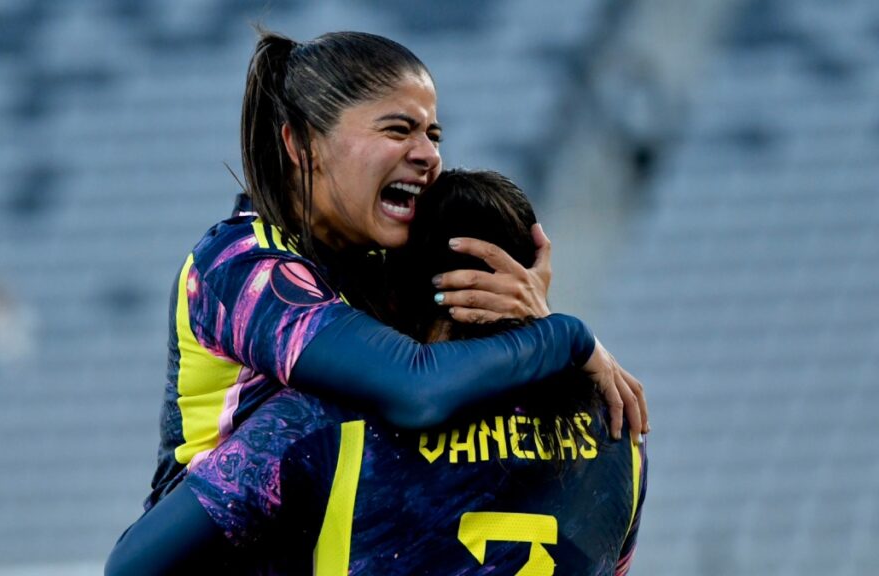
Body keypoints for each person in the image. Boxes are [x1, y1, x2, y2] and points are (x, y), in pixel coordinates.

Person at [146, 29, 648, 509]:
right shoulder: (240, 269)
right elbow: (416, 389)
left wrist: (527, 316)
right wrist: (566, 339)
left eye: (434, 134)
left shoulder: (385, 261)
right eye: (398, 129)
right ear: (302, 145)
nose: (430, 155)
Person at [107, 169, 648, 575]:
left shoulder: (317, 421)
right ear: (535, 281)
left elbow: (132, 567)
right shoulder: (620, 431)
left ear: (399, 289)